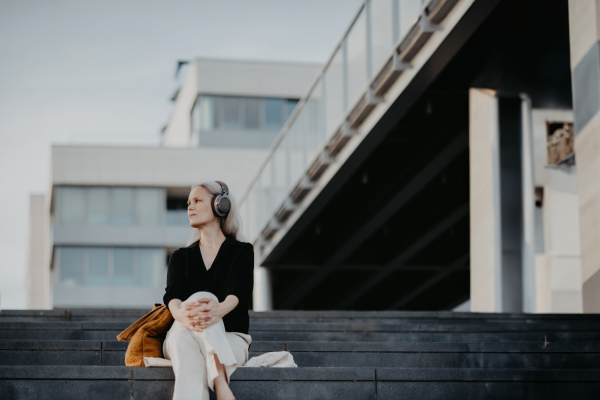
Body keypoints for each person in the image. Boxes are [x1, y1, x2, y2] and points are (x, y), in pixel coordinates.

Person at [162, 180, 254, 400]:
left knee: (202, 303)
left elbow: (239, 293)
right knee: (184, 328)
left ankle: (218, 380)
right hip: (183, 330)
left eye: (197, 201)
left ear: (219, 205)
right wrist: (179, 313)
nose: (189, 207)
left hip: (230, 340)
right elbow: (172, 295)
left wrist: (218, 310)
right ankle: (220, 383)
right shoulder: (180, 257)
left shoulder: (241, 251)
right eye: (188, 203)